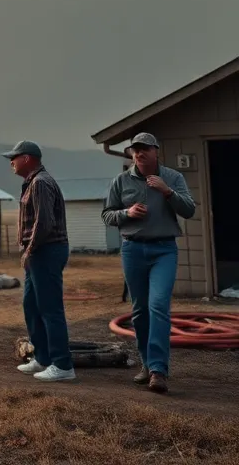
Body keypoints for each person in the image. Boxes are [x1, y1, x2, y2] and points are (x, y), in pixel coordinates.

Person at [102, 132, 196, 394]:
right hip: (133, 249)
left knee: (158, 306)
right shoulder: (120, 181)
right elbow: (107, 215)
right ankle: (146, 364)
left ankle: (158, 370)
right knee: (140, 311)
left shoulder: (173, 178)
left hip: (164, 250)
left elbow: (189, 209)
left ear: (156, 151)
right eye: (135, 149)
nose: (139, 153)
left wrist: (167, 192)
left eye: (144, 149)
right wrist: (126, 213)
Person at [3, 140, 74, 382]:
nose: (11, 161)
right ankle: (43, 358)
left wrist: (29, 249)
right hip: (38, 253)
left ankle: (63, 365)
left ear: (28, 158)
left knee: (50, 309)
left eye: (14, 157)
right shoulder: (31, 182)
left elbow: (44, 223)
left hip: (46, 251)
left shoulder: (41, 183)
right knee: (31, 306)